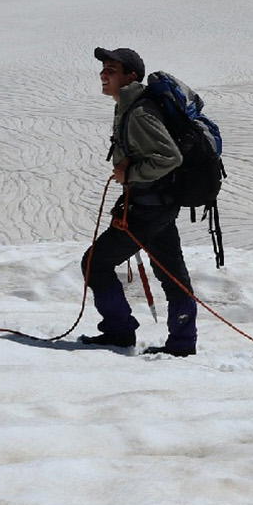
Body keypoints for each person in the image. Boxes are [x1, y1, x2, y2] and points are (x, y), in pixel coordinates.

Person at [78, 46, 199, 356]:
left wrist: (129, 174)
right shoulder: (130, 106)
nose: (103, 75)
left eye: (111, 70)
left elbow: (170, 157)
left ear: (131, 76)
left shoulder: (139, 113)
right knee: (173, 276)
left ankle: (119, 332)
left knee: (94, 264)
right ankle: (182, 344)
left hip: (147, 210)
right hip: (157, 206)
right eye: (103, 69)